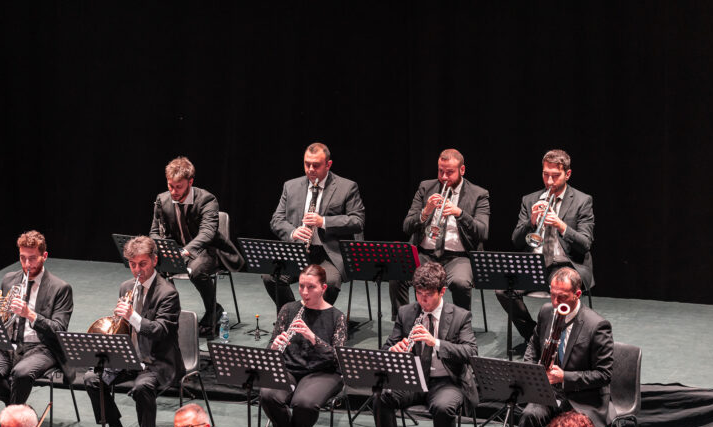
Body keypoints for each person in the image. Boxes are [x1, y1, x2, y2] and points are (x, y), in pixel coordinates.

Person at [502, 267, 613, 427]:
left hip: (583, 397)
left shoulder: (597, 325)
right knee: (529, 415)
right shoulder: (546, 313)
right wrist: (530, 369)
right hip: (550, 391)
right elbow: (533, 343)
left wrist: (565, 376)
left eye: (562, 296)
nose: (555, 301)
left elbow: (604, 374)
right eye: (552, 294)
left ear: (577, 294)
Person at [364, 262, 479, 427]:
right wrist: (393, 350)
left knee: (443, 407)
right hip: (414, 379)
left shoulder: (460, 316)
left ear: (442, 291)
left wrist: (434, 342)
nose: (422, 301)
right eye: (418, 294)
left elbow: (470, 352)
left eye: (428, 295)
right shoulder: (407, 312)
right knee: (381, 396)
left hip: (447, 381)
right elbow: (388, 345)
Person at [84, 236, 184, 427]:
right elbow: (123, 327)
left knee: (142, 388)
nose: (137, 270)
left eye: (143, 264)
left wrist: (133, 317)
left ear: (155, 261)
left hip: (158, 361)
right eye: (132, 264)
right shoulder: (126, 287)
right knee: (92, 378)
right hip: (130, 358)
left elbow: (160, 331)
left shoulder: (168, 293)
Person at [0, 230, 74, 427]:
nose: (27, 264)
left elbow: (59, 330)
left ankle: (10, 425)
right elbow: (2, 314)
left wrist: (30, 314)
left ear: (44, 256)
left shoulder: (60, 288)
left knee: (22, 373)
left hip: (43, 347)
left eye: (32, 258)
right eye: (23, 258)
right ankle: (21, 412)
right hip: (11, 343)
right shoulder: (9, 280)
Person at [496, 149, 595, 341]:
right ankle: (535, 335)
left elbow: (585, 244)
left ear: (567, 174)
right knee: (502, 289)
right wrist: (531, 222)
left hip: (566, 264)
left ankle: (564, 339)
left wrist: (561, 225)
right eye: (545, 175)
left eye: (555, 176)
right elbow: (516, 241)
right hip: (536, 263)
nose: (549, 182)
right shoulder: (530, 200)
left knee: (563, 290)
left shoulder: (583, 201)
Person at [260, 264, 347, 427]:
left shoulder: (336, 316)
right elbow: (270, 349)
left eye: (311, 287)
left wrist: (313, 337)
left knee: (305, 403)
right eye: (301, 287)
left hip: (323, 372)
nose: (305, 292)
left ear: (324, 288)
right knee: (268, 394)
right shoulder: (289, 310)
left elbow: (340, 358)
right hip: (290, 368)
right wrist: (274, 345)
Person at [262, 143, 365, 309]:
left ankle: (315, 319)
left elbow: (357, 221)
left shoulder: (347, 187)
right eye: (306, 164)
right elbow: (276, 220)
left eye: (315, 165)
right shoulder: (291, 186)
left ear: (328, 164)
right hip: (299, 250)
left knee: (330, 283)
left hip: (329, 254)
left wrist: (323, 222)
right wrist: (293, 232)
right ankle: (292, 313)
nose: (310, 169)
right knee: (270, 276)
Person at [150, 156, 244, 339]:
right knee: (156, 267)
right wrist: (160, 248)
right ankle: (168, 313)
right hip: (178, 249)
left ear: (190, 182)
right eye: (170, 186)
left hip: (208, 250)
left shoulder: (207, 200)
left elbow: (207, 234)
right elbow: (154, 230)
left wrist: (185, 251)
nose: (174, 191)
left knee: (196, 269)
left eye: (179, 187)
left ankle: (213, 310)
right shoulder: (162, 200)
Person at [390, 149, 490, 315]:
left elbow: (483, 232)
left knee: (460, 282)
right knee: (396, 274)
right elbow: (407, 226)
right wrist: (425, 212)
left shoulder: (478, 194)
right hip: (425, 254)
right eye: (440, 171)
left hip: (458, 257)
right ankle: (403, 323)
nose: (444, 177)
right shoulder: (425, 188)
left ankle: (460, 327)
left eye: (449, 172)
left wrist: (460, 214)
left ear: (462, 170)